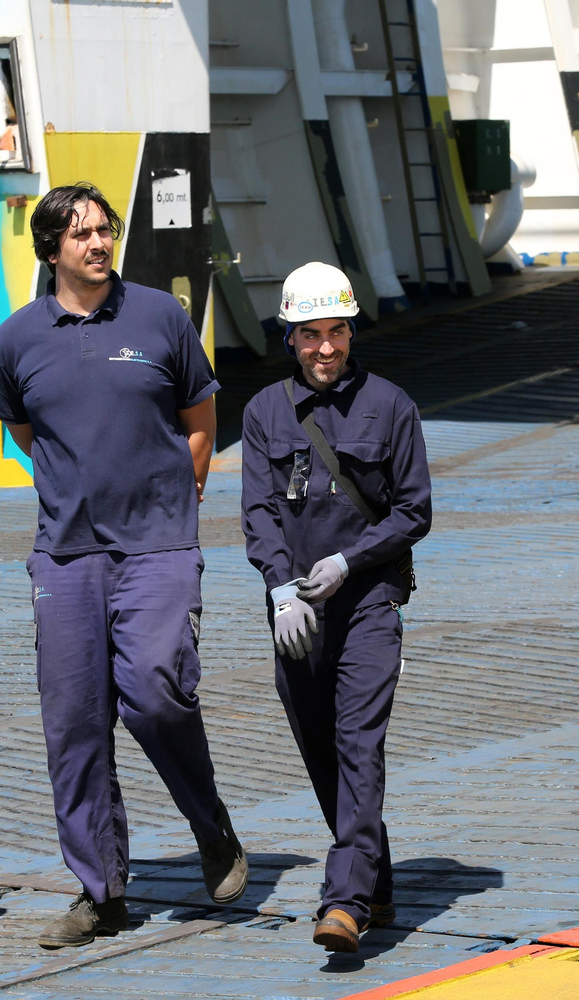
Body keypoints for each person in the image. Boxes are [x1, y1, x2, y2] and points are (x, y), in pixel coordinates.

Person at [0, 183, 247, 949]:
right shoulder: (16, 340)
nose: (98, 243)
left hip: (159, 543)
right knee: (73, 724)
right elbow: (30, 433)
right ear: (51, 249)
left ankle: (212, 826)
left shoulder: (161, 318)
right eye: (82, 234)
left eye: (106, 230)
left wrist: (172, 494)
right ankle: (100, 890)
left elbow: (200, 421)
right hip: (66, 553)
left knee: (157, 694)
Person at [240, 263, 432, 954]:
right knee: (322, 753)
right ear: (290, 337)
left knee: (358, 745)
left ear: (352, 332)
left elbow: (415, 511)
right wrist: (279, 586)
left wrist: (352, 560)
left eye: (338, 332)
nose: (327, 348)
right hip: (294, 615)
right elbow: (258, 511)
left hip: (369, 604)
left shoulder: (391, 405)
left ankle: (344, 897)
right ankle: (375, 878)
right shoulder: (263, 412)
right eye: (312, 334)